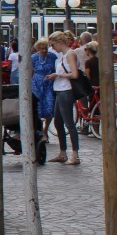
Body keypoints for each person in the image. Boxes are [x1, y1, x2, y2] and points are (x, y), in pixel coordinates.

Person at [47, 31, 82, 165]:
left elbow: (74, 74)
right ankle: (63, 153)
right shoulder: (63, 55)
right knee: (58, 122)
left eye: (53, 45)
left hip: (66, 90)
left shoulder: (70, 54)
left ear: (60, 42)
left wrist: (58, 75)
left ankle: (75, 154)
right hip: (59, 89)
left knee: (69, 123)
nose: (52, 48)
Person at [31, 37, 57, 140]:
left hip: (49, 84)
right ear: (37, 49)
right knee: (37, 107)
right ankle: (39, 130)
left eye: (45, 48)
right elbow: (30, 71)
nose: (44, 50)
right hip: (37, 83)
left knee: (49, 107)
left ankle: (46, 129)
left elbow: (56, 69)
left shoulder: (52, 57)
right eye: (41, 48)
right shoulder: (33, 58)